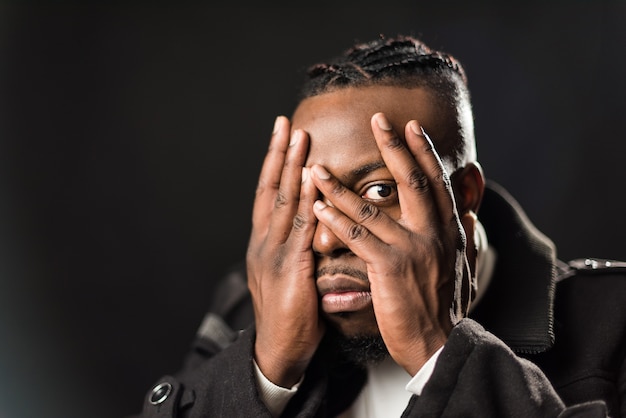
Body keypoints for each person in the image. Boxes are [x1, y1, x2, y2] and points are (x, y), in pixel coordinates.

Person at [134, 35, 625, 417]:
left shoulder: (613, 322)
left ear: (465, 195)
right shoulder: (247, 306)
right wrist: (266, 370)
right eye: (311, 196)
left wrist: (442, 352)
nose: (326, 237)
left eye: (376, 192)